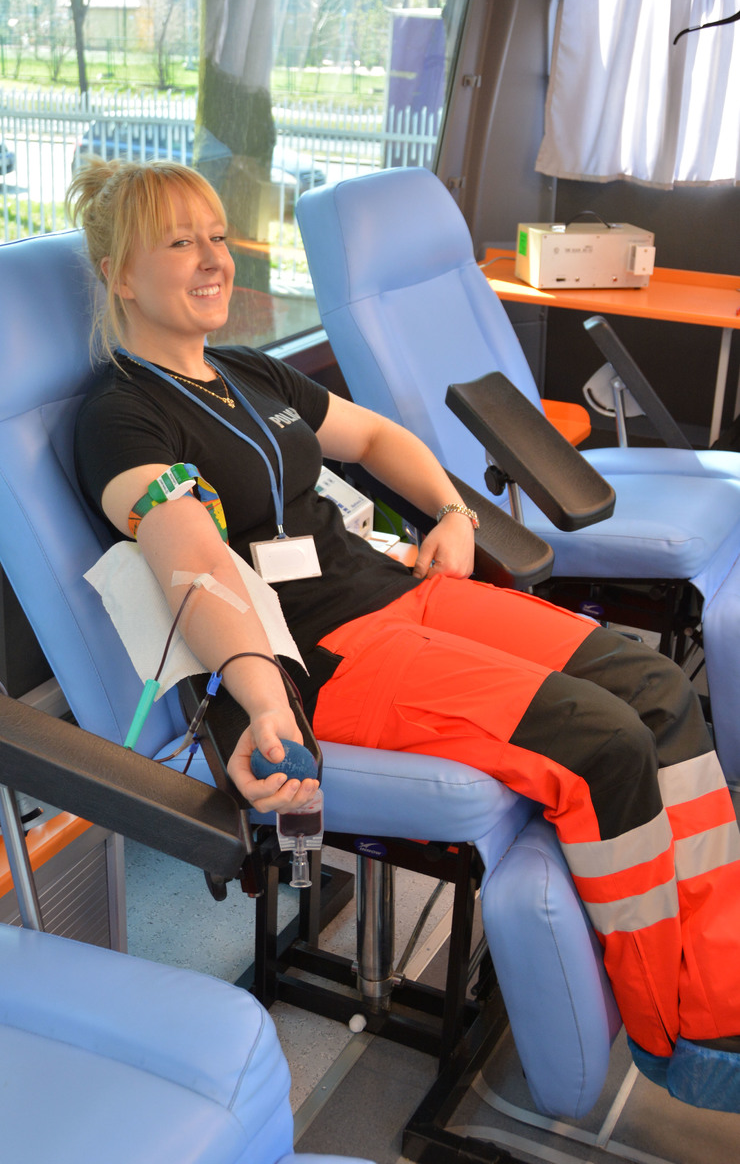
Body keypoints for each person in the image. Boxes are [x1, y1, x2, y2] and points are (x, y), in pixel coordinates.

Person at [69, 158, 740, 1101]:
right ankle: (693, 1041)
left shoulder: (246, 372)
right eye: (181, 243)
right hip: (327, 655)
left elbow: (379, 439)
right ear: (119, 275)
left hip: (399, 589)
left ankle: (721, 975)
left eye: (217, 236)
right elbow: (194, 563)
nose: (214, 258)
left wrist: (452, 514)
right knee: (604, 742)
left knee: (658, 690)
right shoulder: (118, 416)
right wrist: (264, 699)